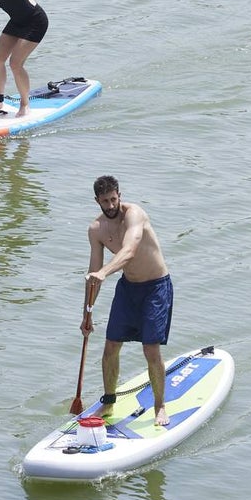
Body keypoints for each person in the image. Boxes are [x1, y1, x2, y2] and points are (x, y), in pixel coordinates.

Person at [81, 175, 174, 427]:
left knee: (150, 348)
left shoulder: (135, 214)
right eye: (104, 201)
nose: (110, 206)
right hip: (128, 288)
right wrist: (87, 315)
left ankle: (160, 406)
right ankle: (109, 400)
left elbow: (129, 250)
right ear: (97, 201)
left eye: (113, 199)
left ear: (119, 195)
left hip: (156, 287)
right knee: (111, 346)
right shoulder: (96, 230)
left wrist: (104, 273)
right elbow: (94, 273)